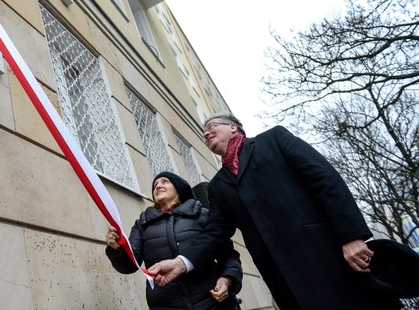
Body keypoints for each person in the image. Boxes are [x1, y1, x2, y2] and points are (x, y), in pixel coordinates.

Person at [148, 115, 402, 310]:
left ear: (234, 128)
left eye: (213, 126)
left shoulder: (274, 140)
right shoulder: (217, 186)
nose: (206, 132)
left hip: (329, 257)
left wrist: (351, 236)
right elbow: (214, 233)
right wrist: (181, 264)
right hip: (284, 278)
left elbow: (325, 181)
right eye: (204, 132)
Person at [105, 171, 243, 309]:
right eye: (155, 186)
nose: (158, 186)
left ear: (178, 188)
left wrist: (227, 279)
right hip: (166, 305)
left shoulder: (203, 215)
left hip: (212, 303)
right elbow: (129, 265)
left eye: (165, 182)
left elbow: (228, 255)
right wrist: (117, 249)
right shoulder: (143, 223)